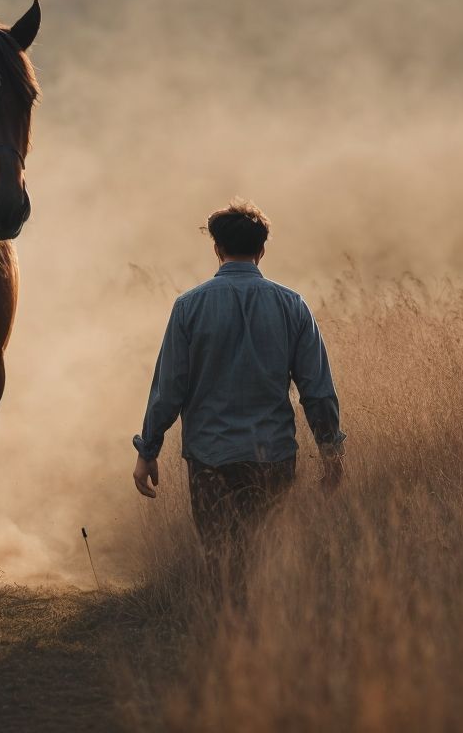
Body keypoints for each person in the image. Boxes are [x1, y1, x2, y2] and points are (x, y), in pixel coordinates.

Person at [131, 198, 346, 565]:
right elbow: (318, 390)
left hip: (210, 458)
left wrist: (147, 450)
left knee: (220, 559)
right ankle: (262, 622)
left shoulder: (188, 307)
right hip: (273, 457)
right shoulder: (293, 305)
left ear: (217, 248)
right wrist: (331, 451)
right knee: (264, 558)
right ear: (262, 250)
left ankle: (223, 621)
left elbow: (168, 390)